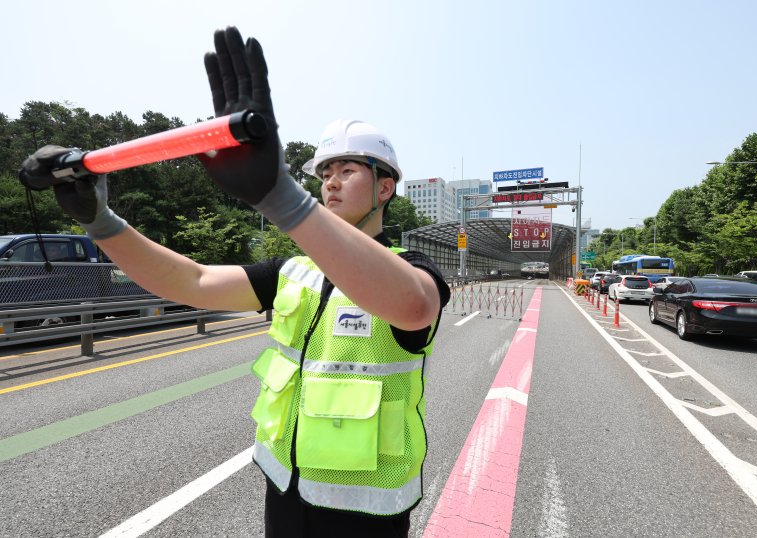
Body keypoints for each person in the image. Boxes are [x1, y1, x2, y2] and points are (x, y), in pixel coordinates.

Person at [20, 26, 449, 537]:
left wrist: (283, 198)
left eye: (347, 169)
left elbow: (412, 305)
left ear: (385, 187)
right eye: (322, 171)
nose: (329, 180)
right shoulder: (295, 271)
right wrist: (103, 223)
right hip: (284, 499)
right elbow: (193, 281)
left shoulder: (415, 266)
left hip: (366, 518)